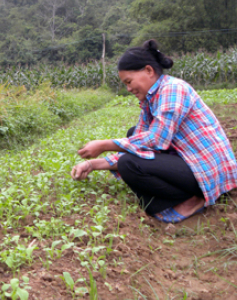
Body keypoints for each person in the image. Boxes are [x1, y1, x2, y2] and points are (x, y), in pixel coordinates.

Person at [71, 40, 237, 223]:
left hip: (208, 168)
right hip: (188, 160)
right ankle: (180, 197)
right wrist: (93, 164)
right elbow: (140, 141)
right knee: (133, 135)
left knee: (129, 164)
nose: (128, 89)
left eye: (129, 81)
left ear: (148, 71)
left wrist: (105, 145)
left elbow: (157, 140)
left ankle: (194, 199)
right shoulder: (150, 100)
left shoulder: (173, 89)